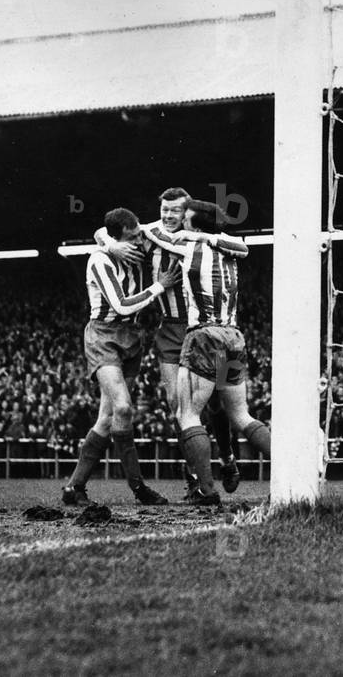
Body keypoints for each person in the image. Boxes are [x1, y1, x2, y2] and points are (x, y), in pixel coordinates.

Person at [94, 187, 248, 498]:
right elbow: (102, 230)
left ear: (187, 212)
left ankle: (228, 458)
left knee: (218, 403)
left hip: (205, 326)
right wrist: (112, 244)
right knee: (178, 407)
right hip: (171, 332)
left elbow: (240, 246)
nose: (168, 216)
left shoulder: (196, 235)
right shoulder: (151, 232)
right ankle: (194, 481)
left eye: (175, 211)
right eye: (164, 210)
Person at [62, 208, 178, 507]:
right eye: (132, 237)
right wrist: (158, 286)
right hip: (103, 335)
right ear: (118, 237)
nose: (139, 240)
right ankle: (139, 488)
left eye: (139, 234)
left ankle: (74, 488)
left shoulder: (129, 239)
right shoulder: (99, 260)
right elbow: (123, 305)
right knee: (124, 408)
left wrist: (109, 239)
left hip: (132, 336)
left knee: (107, 417)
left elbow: (110, 230)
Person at [159, 199, 271, 505]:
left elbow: (154, 234)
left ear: (195, 226)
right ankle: (293, 475)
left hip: (203, 337)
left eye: (186, 220)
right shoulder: (227, 249)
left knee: (188, 414)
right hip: (233, 337)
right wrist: (205, 235)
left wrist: (105, 236)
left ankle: (206, 492)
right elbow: (243, 247)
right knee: (240, 414)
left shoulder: (187, 246)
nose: (180, 223)